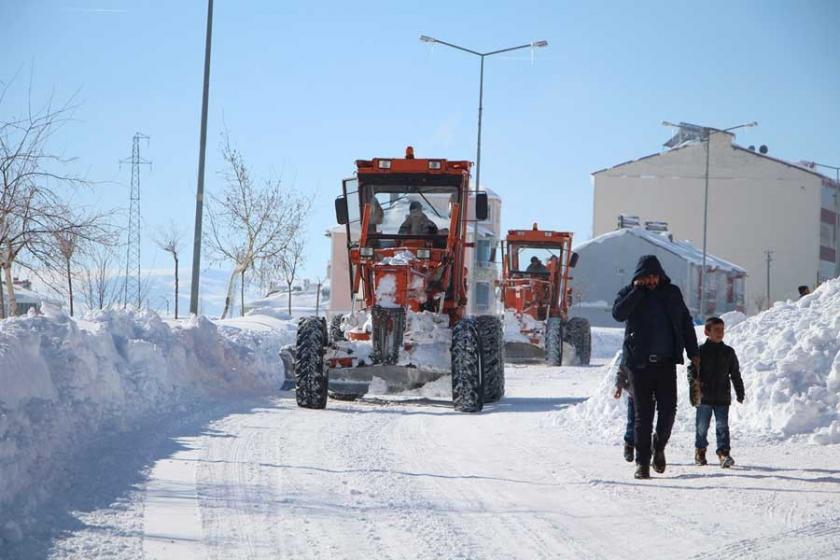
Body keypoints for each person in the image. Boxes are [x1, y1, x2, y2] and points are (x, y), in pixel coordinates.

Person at [612, 255, 700, 480]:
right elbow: (618, 314)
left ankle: (658, 446)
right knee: (643, 415)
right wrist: (637, 292)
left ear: (660, 275)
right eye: (646, 277)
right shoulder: (629, 293)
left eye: (654, 276)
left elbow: (685, 323)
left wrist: (694, 354)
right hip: (638, 365)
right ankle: (642, 464)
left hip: (666, 363)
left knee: (669, 410)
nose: (651, 281)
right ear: (639, 277)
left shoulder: (671, 293)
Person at [688, 316, 744, 468]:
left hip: (722, 397)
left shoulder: (728, 352)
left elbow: (735, 373)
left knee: (722, 427)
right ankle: (700, 451)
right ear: (707, 332)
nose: (720, 333)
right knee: (701, 427)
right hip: (704, 397)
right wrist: (694, 385)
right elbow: (691, 372)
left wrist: (740, 392)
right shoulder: (700, 352)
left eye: (722, 330)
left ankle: (723, 453)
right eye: (716, 330)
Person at [612, 354, 635, 463]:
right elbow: (622, 369)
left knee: (646, 423)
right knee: (632, 422)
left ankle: (645, 448)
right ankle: (629, 444)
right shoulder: (631, 347)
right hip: (634, 394)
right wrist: (619, 386)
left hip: (649, 394)